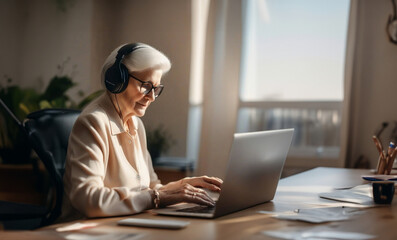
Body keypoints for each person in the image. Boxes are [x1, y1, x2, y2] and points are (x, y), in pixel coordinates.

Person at [59, 43, 222, 221]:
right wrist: (157, 197)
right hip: (89, 230)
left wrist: (182, 186)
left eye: (156, 89)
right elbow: (88, 199)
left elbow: (149, 188)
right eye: (146, 86)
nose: (152, 97)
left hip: (126, 223)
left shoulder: (136, 124)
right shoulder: (93, 122)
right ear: (117, 80)